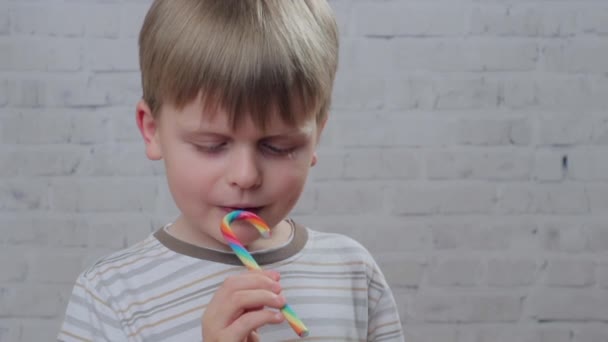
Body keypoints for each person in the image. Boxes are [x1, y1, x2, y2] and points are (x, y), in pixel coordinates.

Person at [58, 0, 404, 340]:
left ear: (316, 139)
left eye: (279, 146)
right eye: (212, 145)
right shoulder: (110, 296)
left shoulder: (352, 274)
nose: (246, 175)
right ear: (152, 130)